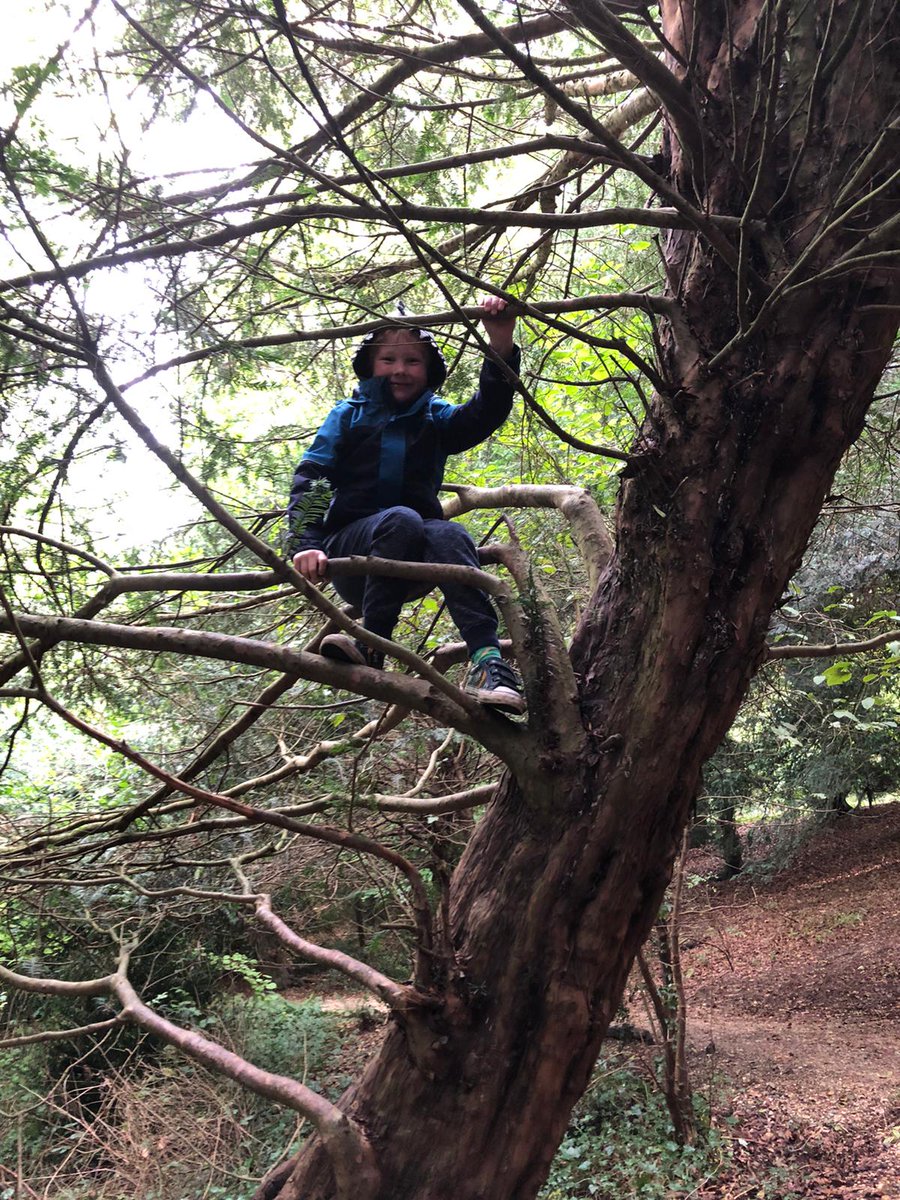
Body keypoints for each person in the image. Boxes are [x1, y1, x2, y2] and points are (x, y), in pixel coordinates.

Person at [287, 297, 525, 715]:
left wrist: (500, 341)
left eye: (412, 361)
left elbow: (484, 414)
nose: (400, 369)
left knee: (450, 531)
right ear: (370, 366)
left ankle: (489, 663)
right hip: (353, 557)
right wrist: (307, 543)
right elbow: (315, 480)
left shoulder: (434, 416)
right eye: (389, 359)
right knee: (401, 518)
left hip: (415, 564)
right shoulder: (347, 416)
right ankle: (370, 643)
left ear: (428, 370)